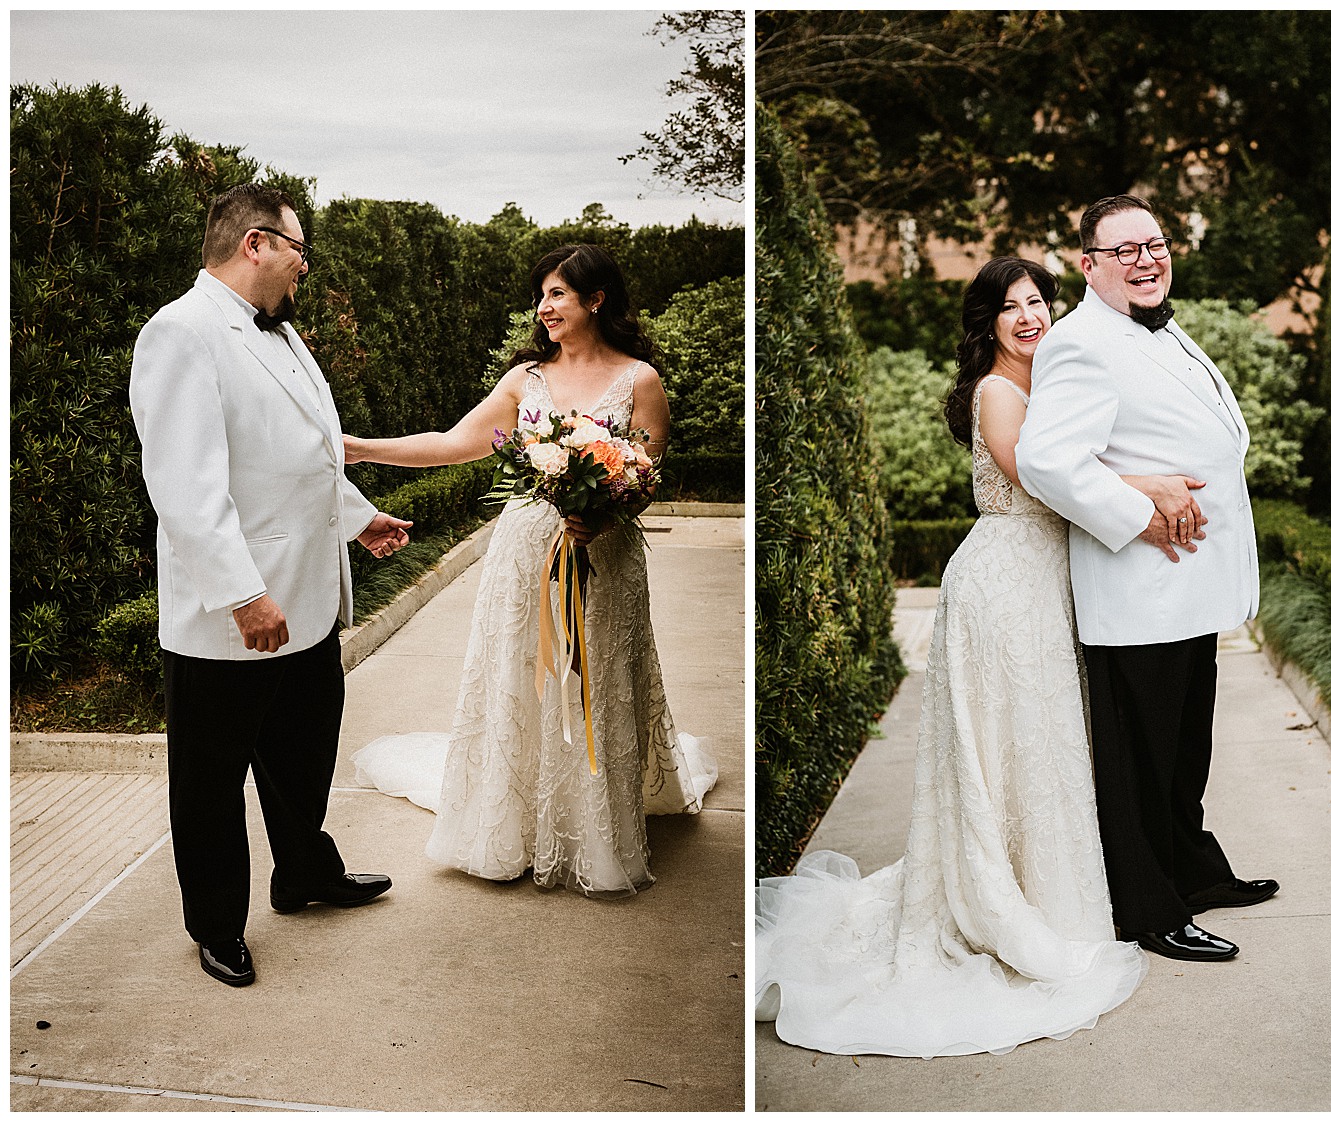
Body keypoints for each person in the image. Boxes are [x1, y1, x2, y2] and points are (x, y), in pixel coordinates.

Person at [756, 257, 1219, 1058]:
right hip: (1003, 586)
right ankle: (1009, 897)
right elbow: (1038, 482)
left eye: (1038, 300)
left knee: (1043, 746)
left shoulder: (1055, 386)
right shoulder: (997, 393)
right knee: (1012, 743)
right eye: (1010, 307)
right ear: (988, 324)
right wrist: (1149, 483)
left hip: (1051, 582)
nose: (1029, 316)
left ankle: (1052, 881)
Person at [347, 244, 716, 897]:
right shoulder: (526, 380)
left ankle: (593, 831)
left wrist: (605, 513)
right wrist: (356, 447)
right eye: (541, 295)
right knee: (523, 682)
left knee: (594, 681)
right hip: (524, 559)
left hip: (604, 558)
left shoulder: (640, 380)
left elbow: (647, 473)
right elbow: (453, 444)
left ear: (594, 299)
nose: (543, 308)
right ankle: (511, 829)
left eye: (557, 295)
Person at [130, 183, 415, 988]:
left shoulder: (283, 334)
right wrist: (241, 594)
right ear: (255, 243)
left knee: (301, 750)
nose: (303, 265)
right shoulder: (181, 333)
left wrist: (357, 518)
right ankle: (217, 924)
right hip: (235, 614)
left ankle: (305, 873)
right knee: (212, 780)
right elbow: (185, 484)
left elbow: (305, 452)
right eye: (298, 248)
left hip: (309, 601)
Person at [1015, 194, 1277, 963]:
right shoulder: (1081, 342)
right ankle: (1150, 909)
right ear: (1088, 266)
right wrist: (1139, 505)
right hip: (1139, 587)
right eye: (1123, 251)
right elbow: (1046, 461)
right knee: (1140, 763)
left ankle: (1193, 872)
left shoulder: (1154, 325)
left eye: (1153, 245)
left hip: (1187, 587)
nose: (1144, 261)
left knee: (1186, 748)